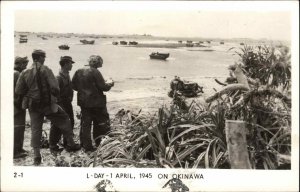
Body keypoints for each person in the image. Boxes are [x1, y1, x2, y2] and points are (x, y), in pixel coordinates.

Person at [15, 49, 80, 166]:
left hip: (32, 105)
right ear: (39, 58)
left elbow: (18, 90)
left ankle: (36, 155)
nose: (44, 59)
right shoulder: (46, 70)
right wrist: (53, 97)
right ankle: (71, 143)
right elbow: (55, 88)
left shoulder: (25, 72)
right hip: (47, 104)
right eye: (43, 57)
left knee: (36, 129)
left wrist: (30, 92)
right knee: (65, 119)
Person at [72, 55, 114, 152]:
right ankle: (98, 142)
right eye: (101, 62)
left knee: (85, 124)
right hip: (96, 102)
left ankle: (86, 145)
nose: (102, 64)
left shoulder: (79, 70)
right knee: (98, 123)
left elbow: (73, 85)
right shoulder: (95, 71)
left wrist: (82, 90)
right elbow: (103, 87)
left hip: (83, 102)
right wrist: (110, 83)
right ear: (96, 62)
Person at [49, 56, 75, 155]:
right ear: (64, 64)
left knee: (70, 121)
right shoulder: (58, 77)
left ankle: (67, 142)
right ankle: (53, 145)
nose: (71, 65)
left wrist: (70, 97)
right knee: (57, 124)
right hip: (60, 103)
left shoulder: (66, 74)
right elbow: (53, 92)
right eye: (70, 63)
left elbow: (70, 88)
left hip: (67, 102)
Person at [14, 56, 29, 159]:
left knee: (20, 127)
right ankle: (15, 151)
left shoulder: (14, 73)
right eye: (24, 64)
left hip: (16, 104)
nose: (25, 67)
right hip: (17, 105)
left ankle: (19, 148)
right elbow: (20, 91)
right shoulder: (17, 74)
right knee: (18, 128)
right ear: (19, 64)